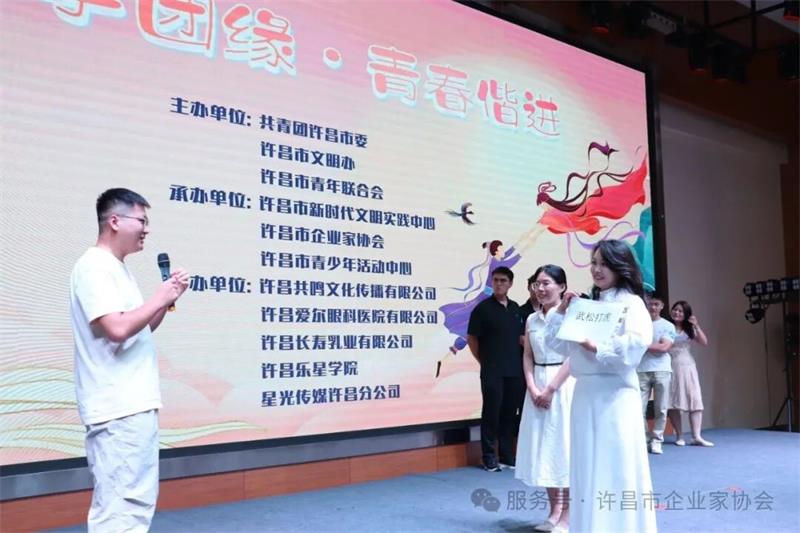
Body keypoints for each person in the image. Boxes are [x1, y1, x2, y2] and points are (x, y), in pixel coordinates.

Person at [70, 188, 189, 532]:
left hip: (132, 404)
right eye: (141, 220)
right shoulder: (94, 267)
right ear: (115, 221)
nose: (146, 229)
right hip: (117, 407)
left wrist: (167, 299)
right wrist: (158, 297)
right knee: (119, 508)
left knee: (134, 504)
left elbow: (140, 328)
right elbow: (117, 328)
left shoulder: (117, 269)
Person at [545, 239, 656, 533]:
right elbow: (556, 345)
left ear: (620, 266)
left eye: (604, 264)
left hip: (616, 395)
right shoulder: (589, 304)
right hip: (585, 394)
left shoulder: (632, 303)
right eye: (594, 263)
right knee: (586, 466)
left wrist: (596, 346)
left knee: (616, 466)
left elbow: (636, 345)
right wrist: (562, 311)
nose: (597, 269)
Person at [515, 265, 575, 533]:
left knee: (564, 446)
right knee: (545, 447)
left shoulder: (571, 315)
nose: (540, 288)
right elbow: (528, 355)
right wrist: (532, 386)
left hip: (563, 384)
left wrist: (550, 389)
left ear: (562, 287)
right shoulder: (531, 319)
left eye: (546, 283)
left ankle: (569, 515)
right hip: (537, 384)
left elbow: (574, 357)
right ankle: (554, 511)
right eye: (537, 284)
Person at [466, 266, 525, 471]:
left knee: (509, 413)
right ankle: (489, 456)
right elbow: (472, 338)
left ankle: (506, 455)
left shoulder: (516, 308)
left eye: (503, 281)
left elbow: (520, 338)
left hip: (514, 370)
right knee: (491, 412)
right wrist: (483, 360)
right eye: (496, 280)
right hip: (492, 370)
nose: (498, 284)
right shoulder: (482, 309)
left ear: (510, 284)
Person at [667, 300, 713, 447]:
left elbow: (704, 342)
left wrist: (696, 325)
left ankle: (696, 436)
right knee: (673, 401)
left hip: (688, 366)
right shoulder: (666, 326)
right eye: (675, 310)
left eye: (680, 311)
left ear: (686, 314)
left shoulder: (689, 329)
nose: (677, 313)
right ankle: (679, 435)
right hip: (671, 365)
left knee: (695, 399)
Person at [637, 293, 675, 455]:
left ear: (662, 306)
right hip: (641, 369)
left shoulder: (668, 326)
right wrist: (652, 345)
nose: (653, 307)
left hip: (662, 369)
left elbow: (663, 348)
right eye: (650, 304)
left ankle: (657, 439)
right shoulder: (639, 324)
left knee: (661, 407)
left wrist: (641, 344)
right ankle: (645, 440)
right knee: (639, 408)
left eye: (656, 304)